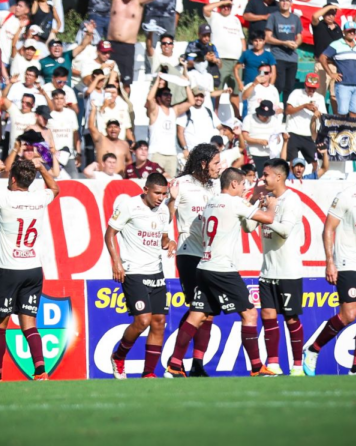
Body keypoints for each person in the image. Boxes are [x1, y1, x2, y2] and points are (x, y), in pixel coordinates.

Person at [164, 166, 277, 378]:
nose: (244, 189)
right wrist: (271, 206)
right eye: (242, 184)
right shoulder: (235, 202)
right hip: (222, 268)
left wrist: (252, 202)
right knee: (250, 313)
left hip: (204, 266)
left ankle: (174, 365)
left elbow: (246, 225)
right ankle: (257, 367)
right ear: (234, 183)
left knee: (197, 315)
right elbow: (268, 219)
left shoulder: (211, 202)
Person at [0, 157, 60, 382]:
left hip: (8, 270)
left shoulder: (5, 197)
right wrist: (42, 168)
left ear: (13, 179)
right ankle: (41, 372)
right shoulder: (39, 198)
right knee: (29, 323)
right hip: (33, 269)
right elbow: (55, 189)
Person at [303, 157, 356, 376]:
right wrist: (330, 262)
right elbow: (328, 229)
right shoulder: (345, 197)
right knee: (349, 315)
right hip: (347, 263)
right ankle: (313, 349)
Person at [105, 173, 173, 379]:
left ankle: (148, 373)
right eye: (157, 193)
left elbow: (163, 240)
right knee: (143, 320)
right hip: (133, 271)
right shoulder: (129, 205)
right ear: (146, 190)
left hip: (156, 271)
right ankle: (118, 356)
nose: (161, 198)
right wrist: (116, 261)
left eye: (164, 194)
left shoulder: (163, 211)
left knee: (159, 321)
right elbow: (109, 234)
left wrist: (170, 242)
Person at [168, 143, 222, 377]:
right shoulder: (181, 184)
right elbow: (166, 213)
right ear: (203, 163)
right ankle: (175, 362)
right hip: (189, 254)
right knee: (198, 309)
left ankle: (197, 364)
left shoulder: (215, 187)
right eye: (216, 163)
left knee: (207, 312)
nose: (220, 167)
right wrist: (168, 236)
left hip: (210, 256)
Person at [257, 159, 308, 376]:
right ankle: (273, 364)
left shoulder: (291, 199)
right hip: (267, 270)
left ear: (278, 177)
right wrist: (254, 209)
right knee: (267, 315)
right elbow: (247, 226)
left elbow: (285, 231)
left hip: (288, 271)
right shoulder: (267, 199)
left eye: (265, 175)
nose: (262, 178)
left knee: (291, 318)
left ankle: (297, 366)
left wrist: (266, 214)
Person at [85, 0, 160, 85]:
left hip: (127, 47)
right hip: (111, 45)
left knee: (126, 82)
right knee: (107, 79)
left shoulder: (139, 1)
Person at [145, 77, 194, 177]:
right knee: (155, 181)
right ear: (158, 97)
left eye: (170, 94)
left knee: (170, 182)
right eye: (165, 94)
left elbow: (191, 102)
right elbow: (149, 98)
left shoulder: (174, 111)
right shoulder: (155, 110)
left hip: (171, 154)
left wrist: (186, 84)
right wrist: (157, 80)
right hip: (156, 153)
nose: (168, 97)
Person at [320, 20, 356, 116]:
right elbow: (322, 57)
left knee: (355, 113)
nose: (352, 33)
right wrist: (331, 74)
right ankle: (341, 127)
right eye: (349, 31)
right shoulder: (336, 44)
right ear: (344, 32)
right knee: (342, 113)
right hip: (343, 84)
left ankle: (351, 127)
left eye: (353, 31)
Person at [265, 0, 302, 102]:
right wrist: (284, 43)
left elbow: (300, 37)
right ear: (279, 2)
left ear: (291, 3)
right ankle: (273, 107)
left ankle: (287, 110)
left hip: (292, 58)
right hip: (278, 56)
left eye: (287, 1)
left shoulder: (295, 18)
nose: (285, 3)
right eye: (282, 1)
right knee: (279, 85)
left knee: (289, 87)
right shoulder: (273, 17)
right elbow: (267, 38)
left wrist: (296, 43)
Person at [284, 73, 326, 165]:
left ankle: (313, 175)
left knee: (315, 163)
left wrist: (317, 112)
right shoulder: (296, 93)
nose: (311, 90)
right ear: (305, 85)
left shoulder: (320, 98)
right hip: (293, 132)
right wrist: (303, 106)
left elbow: (323, 117)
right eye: (309, 87)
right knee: (292, 162)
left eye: (314, 88)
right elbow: (287, 111)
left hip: (310, 135)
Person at [241, 100, 283, 172]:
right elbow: (244, 137)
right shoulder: (249, 119)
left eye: (268, 115)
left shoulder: (274, 120)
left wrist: (273, 141)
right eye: (263, 115)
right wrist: (259, 141)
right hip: (252, 153)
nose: (265, 117)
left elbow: (278, 138)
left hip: (270, 154)